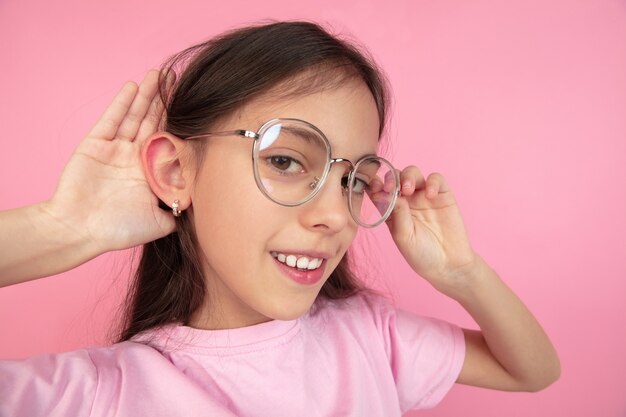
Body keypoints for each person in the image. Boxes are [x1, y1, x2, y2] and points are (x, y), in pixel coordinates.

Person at [0, 21, 560, 416]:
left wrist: (459, 273)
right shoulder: (96, 394)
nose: (334, 216)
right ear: (176, 171)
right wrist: (62, 227)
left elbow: (532, 371)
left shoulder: (369, 338)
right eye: (286, 160)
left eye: (352, 182)